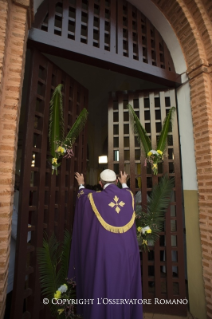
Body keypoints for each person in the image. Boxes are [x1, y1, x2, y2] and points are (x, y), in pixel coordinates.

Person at [68, 169, 143, 319]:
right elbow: (127, 190)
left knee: (104, 286)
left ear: (100, 184)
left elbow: (82, 198)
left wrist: (81, 185)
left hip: (104, 256)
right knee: (123, 286)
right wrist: (124, 182)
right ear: (116, 181)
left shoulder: (93, 198)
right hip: (125, 256)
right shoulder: (128, 196)